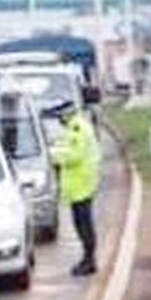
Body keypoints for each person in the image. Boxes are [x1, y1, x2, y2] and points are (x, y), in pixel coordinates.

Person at [50, 100, 101, 277]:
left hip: (82, 184)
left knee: (84, 224)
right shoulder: (73, 128)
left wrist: (53, 156)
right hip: (78, 185)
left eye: (60, 116)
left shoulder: (78, 129)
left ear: (66, 114)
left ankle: (89, 260)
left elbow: (75, 155)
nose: (59, 120)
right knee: (80, 223)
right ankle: (87, 259)